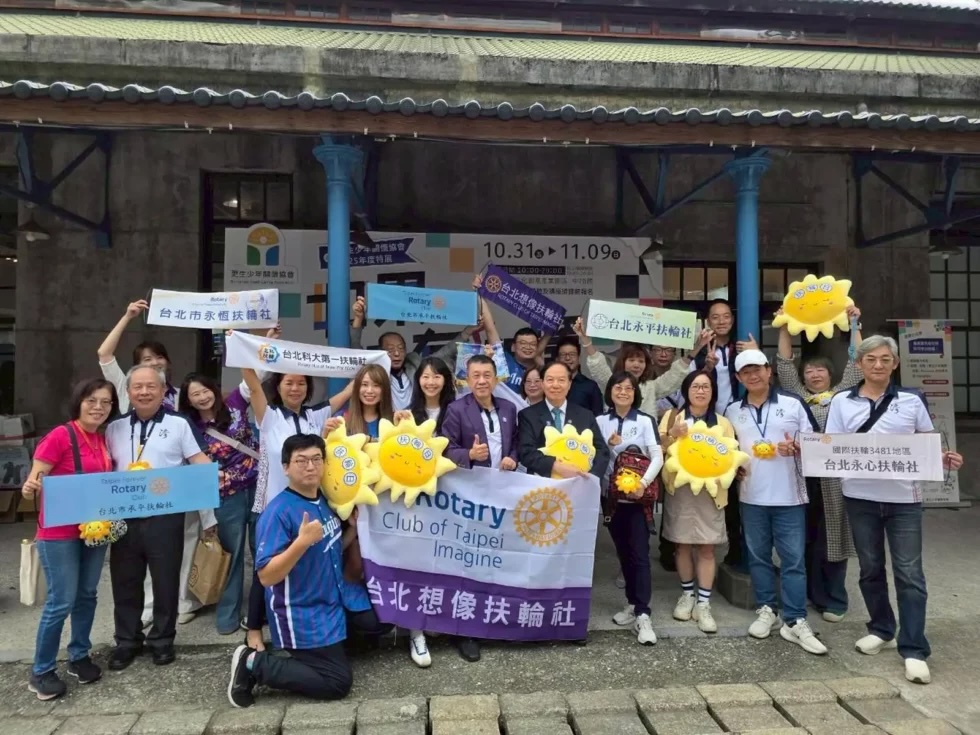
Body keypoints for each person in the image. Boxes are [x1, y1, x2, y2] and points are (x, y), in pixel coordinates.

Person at [825, 335, 963, 685]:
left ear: (895, 364)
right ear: (859, 363)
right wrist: (805, 450)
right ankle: (882, 628)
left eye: (885, 359)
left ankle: (914, 648)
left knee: (909, 573)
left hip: (905, 499)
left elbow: (927, 444)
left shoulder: (911, 400)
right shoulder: (841, 401)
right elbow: (830, 446)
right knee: (870, 568)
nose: (878, 365)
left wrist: (944, 459)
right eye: (871, 359)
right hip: (859, 496)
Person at [228, 434, 388, 707]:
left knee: (382, 619)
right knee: (337, 682)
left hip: (333, 602)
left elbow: (330, 548)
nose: (310, 467)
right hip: (304, 612)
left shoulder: (322, 500)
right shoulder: (278, 512)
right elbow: (266, 576)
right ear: (286, 467)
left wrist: (351, 529)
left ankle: (331, 651)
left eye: (316, 459)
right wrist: (301, 543)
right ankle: (253, 663)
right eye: (301, 461)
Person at [104, 365, 220, 670]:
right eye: (138, 387)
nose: (144, 392)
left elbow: (198, 459)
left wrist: (212, 479)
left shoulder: (179, 423)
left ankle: (162, 640)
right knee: (125, 581)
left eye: (151, 386)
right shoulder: (114, 427)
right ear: (128, 392)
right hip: (123, 518)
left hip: (166, 515)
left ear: (163, 390)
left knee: (166, 579)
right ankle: (127, 641)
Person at [239, 357, 352, 653]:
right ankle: (254, 628)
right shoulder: (270, 415)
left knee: (305, 564)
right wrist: (243, 353)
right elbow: (253, 386)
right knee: (266, 567)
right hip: (275, 506)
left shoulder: (316, 414)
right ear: (278, 386)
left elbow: (345, 394)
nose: (295, 388)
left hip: (311, 503)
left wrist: (369, 366)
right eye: (288, 382)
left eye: (301, 383)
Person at [20, 378, 120, 700]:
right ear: (78, 402)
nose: (98, 407)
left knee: (87, 595)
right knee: (61, 601)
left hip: (95, 529)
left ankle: (79, 655)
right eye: (92, 400)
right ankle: (41, 671)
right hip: (59, 533)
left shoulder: (102, 439)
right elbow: (33, 483)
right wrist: (30, 487)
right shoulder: (59, 436)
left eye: (105, 402)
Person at [723, 350, 825, 655]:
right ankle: (767, 608)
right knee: (758, 557)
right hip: (751, 496)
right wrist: (733, 468)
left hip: (790, 496)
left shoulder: (793, 403)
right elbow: (725, 450)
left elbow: (817, 443)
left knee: (793, 560)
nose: (753, 376)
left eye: (758, 370)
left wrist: (797, 447)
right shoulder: (732, 411)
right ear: (738, 378)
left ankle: (795, 619)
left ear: (769, 371)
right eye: (746, 372)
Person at [97, 298, 191, 627]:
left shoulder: (180, 395)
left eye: (158, 358)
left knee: (175, 556)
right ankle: (139, 621)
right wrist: (127, 316)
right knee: (130, 568)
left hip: (173, 490)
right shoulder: (127, 394)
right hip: (130, 497)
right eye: (145, 360)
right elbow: (104, 354)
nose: (153, 364)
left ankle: (175, 608)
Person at [772, 305, 863, 624]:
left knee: (833, 539)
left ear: (830, 374)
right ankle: (809, 593)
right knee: (803, 538)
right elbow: (784, 364)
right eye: (809, 370)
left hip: (833, 481)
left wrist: (855, 323)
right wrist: (784, 325)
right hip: (800, 478)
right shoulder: (797, 397)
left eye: (820, 370)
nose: (814, 374)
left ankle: (834, 598)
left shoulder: (843, 395)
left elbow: (857, 362)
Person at [438, 353, 519, 662]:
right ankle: (465, 631)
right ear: (467, 379)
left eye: (487, 375)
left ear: (496, 378)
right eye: (476, 375)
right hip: (470, 499)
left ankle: (494, 622)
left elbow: (514, 443)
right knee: (469, 562)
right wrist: (469, 455)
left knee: (497, 560)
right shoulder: (457, 409)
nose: (482, 381)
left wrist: (512, 458)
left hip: (503, 496)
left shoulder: (509, 408)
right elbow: (444, 449)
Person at [180, 373, 258, 635]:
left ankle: (263, 611)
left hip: (258, 488)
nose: (203, 397)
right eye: (195, 394)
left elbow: (255, 378)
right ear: (188, 400)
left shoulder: (234, 404)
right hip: (225, 497)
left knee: (263, 551)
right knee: (230, 556)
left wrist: (260, 352)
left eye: (206, 390)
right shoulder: (188, 426)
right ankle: (228, 616)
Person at [660, 370, 733, 634]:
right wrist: (672, 434)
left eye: (705, 387)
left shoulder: (723, 423)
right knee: (681, 545)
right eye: (695, 386)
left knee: (706, 548)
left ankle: (704, 602)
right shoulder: (673, 417)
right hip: (680, 490)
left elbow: (731, 455)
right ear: (686, 391)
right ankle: (687, 594)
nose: (700, 391)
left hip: (710, 493)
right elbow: (658, 448)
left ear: (713, 392)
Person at [595, 371, 663, 646]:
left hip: (637, 499)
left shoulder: (645, 420)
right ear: (610, 391)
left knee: (640, 555)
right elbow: (594, 456)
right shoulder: (599, 421)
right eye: (618, 387)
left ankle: (644, 613)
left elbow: (657, 456)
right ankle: (632, 604)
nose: (623, 392)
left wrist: (643, 484)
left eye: (629, 388)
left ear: (635, 393)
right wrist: (608, 446)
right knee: (623, 552)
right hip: (610, 498)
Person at [350, 295, 475, 410]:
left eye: (401, 348)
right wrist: (358, 318)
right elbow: (355, 351)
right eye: (391, 350)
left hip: (415, 421)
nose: (397, 354)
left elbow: (444, 353)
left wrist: (466, 333)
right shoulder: (375, 371)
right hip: (387, 422)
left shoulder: (414, 363)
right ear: (381, 351)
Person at [574, 318, 710, 417]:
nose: (636, 365)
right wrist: (585, 340)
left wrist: (697, 347)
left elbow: (676, 373)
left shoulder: (651, 387)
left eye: (641, 361)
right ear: (623, 362)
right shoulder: (612, 384)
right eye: (631, 360)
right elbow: (598, 366)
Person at [517, 362, 611, 481]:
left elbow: (602, 451)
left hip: (580, 482)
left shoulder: (586, 415)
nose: (555, 385)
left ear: (569, 384)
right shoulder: (528, 415)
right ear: (542, 383)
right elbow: (526, 452)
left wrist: (590, 477)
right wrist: (556, 467)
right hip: (542, 485)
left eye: (561, 380)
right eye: (550, 380)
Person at [403, 356, 455, 431]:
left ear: (445, 381)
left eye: (436, 377)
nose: (431, 382)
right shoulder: (408, 414)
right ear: (418, 380)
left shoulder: (456, 412)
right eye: (426, 377)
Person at [555, 335, 604, 415]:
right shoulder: (550, 385)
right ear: (557, 359)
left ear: (579, 358)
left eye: (572, 354)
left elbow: (598, 417)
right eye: (563, 355)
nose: (568, 358)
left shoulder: (590, 386)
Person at [344, 364, 394, 440]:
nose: (369, 391)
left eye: (376, 385)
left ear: (385, 389)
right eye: (364, 385)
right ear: (357, 387)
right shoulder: (343, 419)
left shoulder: (395, 420)